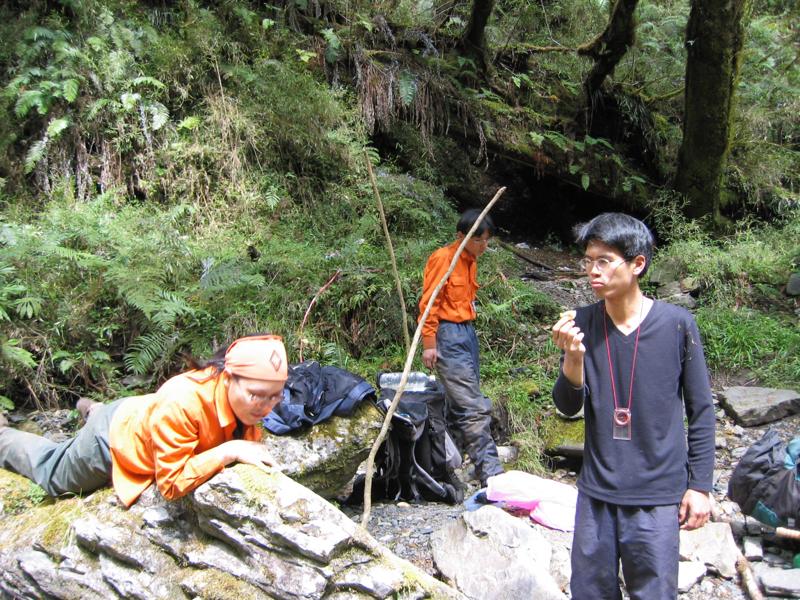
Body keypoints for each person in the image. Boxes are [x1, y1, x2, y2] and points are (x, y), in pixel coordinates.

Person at [551, 213, 715, 599]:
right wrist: (572, 360)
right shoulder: (581, 323)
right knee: (590, 593)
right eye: (588, 260)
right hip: (597, 493)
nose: (593, 271)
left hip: (657, 496)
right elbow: (567, 406)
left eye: (604, 261)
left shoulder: (677, 325)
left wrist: (700, 487)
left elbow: (702, 410)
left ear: (637, 263)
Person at [0, 334, 288, 507]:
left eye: (275, 396)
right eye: (256, 395)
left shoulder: (244, 403)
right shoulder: (183, 399)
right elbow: (171, 484)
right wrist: (229, 450)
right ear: (226, 379)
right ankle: (4, 436)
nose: (265, 406)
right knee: (53, 473)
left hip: (145, 415)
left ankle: (93, 410)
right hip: (111, 438)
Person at [419, 208, 504, 488]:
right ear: (461, 236)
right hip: (447, 334)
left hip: (467, 332)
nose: (483, 246)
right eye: (478, 240)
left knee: (460, 402)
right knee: (472, 405)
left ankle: (449, 468)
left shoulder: (470, 261)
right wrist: (429, 344)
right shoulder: (443, 258)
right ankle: (491, 473)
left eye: (486, 240)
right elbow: (429, 303)